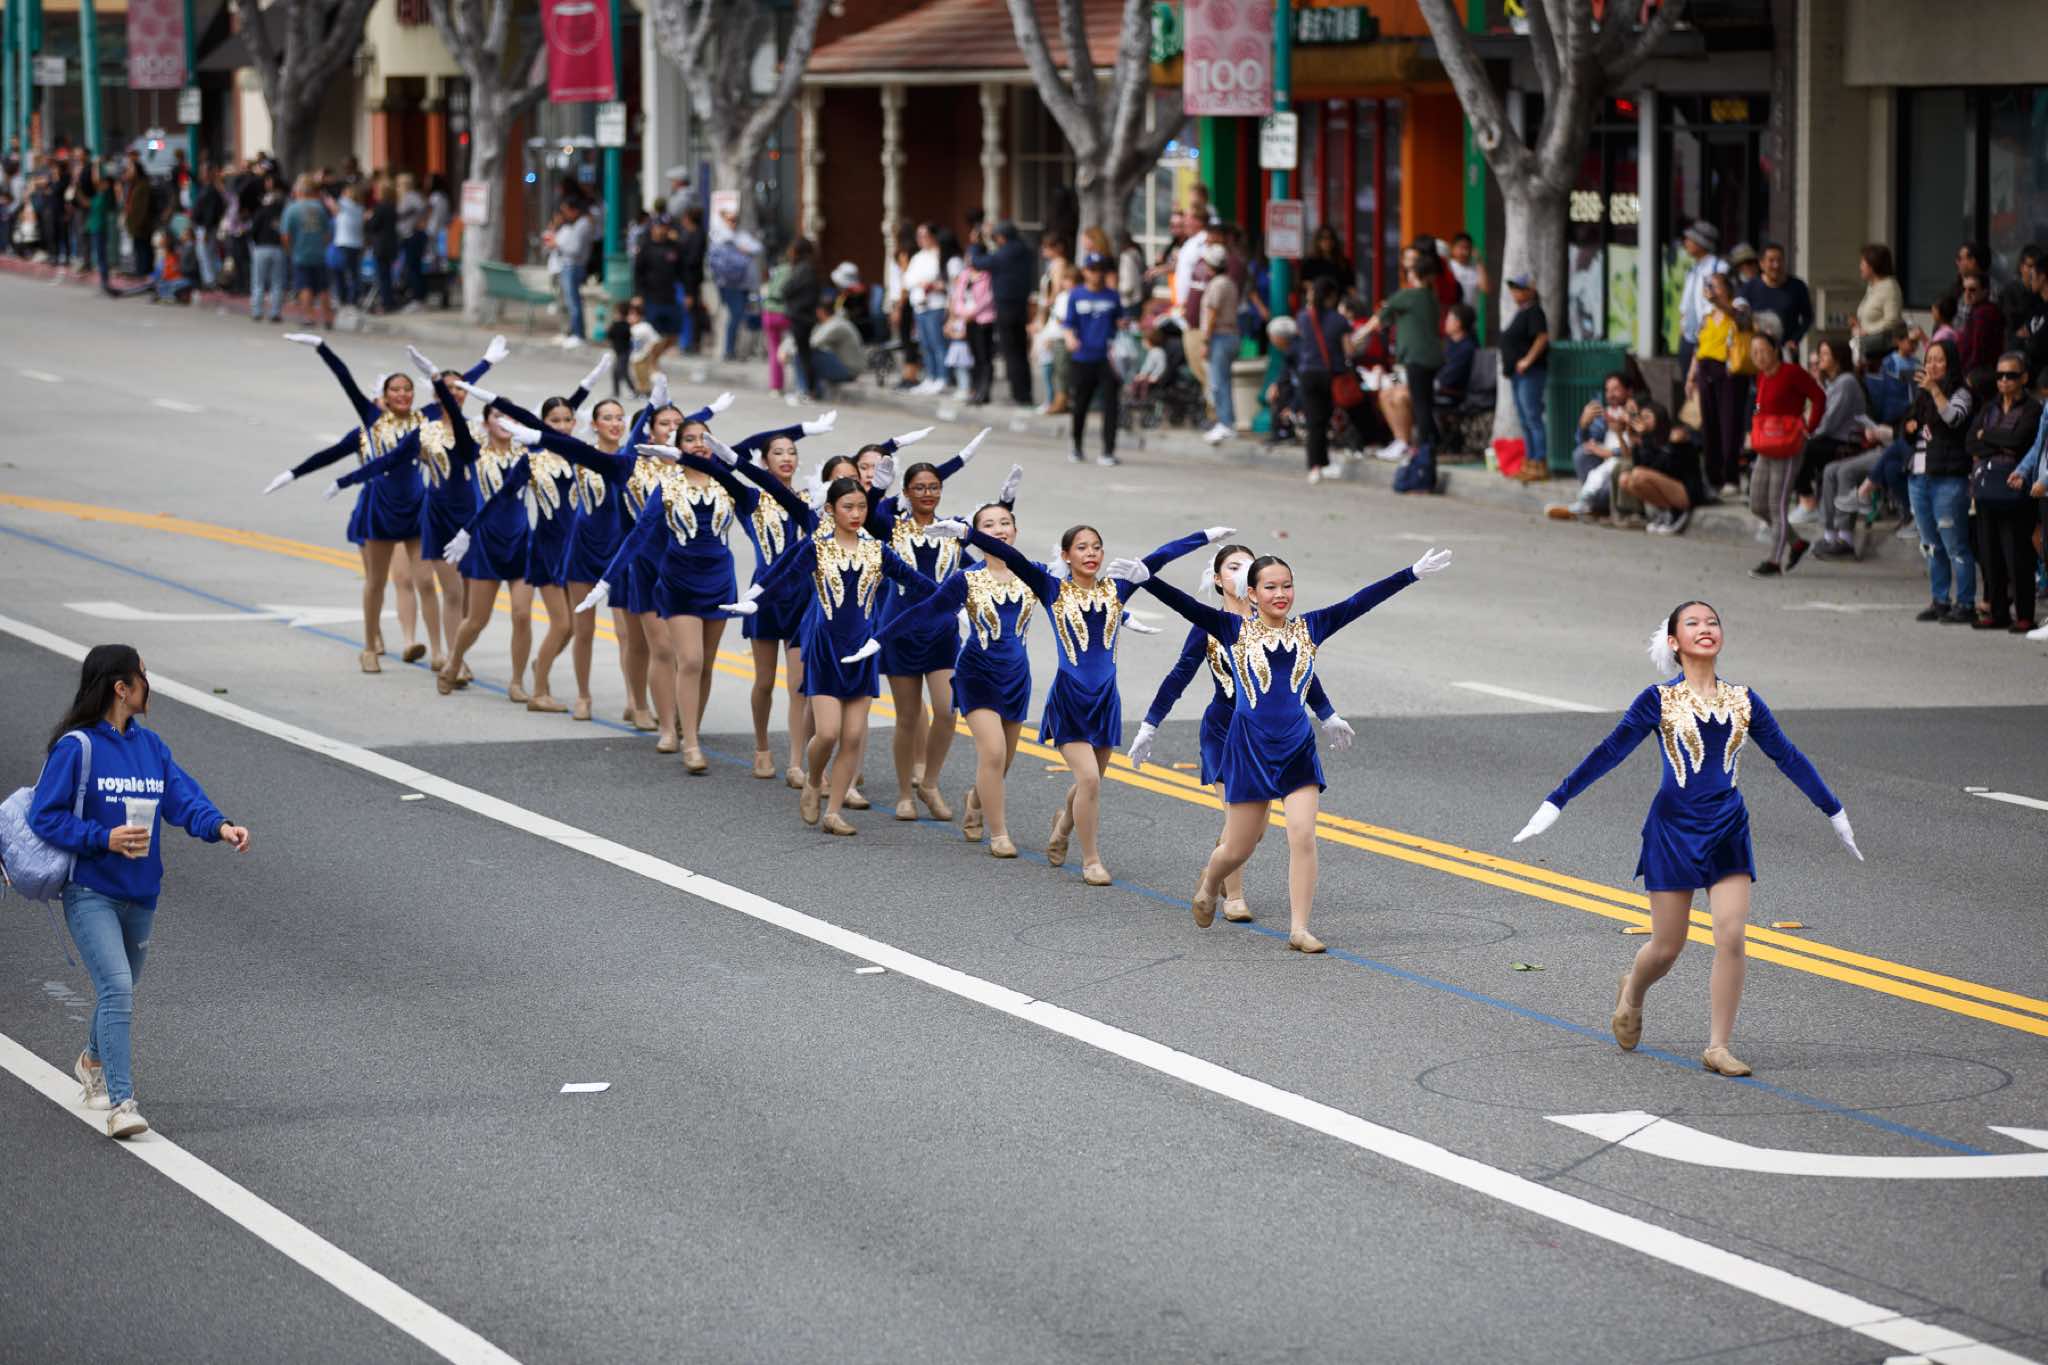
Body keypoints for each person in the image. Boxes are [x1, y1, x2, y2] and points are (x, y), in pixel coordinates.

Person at [1512, 602, 1861, 1078]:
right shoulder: (1658, 700)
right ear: (1674, 642)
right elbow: (1609, 751)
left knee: (1731, 935)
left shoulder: (1744, 700)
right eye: (1693, 623)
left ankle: (1718, 1046)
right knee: (1667, 947)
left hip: (1728, 827)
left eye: (1713, 622)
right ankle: (1633, 992)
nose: (1706, 628)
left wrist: (1833, 810)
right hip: (1673, 829)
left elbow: (1788, 756)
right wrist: (1556, 801)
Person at [1139, 547, 1450, 952]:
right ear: (1252, 593)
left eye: (1287, 586)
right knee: (1238, 846)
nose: (1280, 594)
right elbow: (1184, 606)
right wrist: (1147, 579)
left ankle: (1299, 929)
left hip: (1297, 748)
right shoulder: (1231, 628)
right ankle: (1211, 883)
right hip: (1249, 749)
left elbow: (1359, 602)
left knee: (1303, 835)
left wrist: (1411, 573)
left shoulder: (1310, 627)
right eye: (1270, 587)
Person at [28, 645, 253, 1138]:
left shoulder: (151, 747)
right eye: (143, 676)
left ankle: (92, 1059)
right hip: (91, 891)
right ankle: (122, 1103)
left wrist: (220, 827)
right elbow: (43, 816)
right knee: (117, 987)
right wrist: (102, 837)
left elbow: (183, 798)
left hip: (142, 892)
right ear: (121, 688)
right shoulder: (77, 748)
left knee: (122, 989)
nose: (150, 685)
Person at [941, 523, 1222, 886]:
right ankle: (1091, 860)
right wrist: (969, 533)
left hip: (1105, 701)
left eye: (1096, 547)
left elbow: (1160, 557)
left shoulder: (1117, 588)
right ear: (1066, 555)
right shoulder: (1052, 589)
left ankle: (1063, 825)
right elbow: (1013, 557)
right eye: (1082, 547)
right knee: (1088, 778)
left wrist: (1204, 536)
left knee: (1091, 782)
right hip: (1070, 700)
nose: (1091, 553)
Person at [1127, 543, 1353, 923]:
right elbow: (1178, 677)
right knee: (1236, 823)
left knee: (1257, 831)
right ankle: (1232, 894)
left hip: (1274, 732)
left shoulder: (1277, 622)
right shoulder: (1213, 626)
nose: (1241, 571)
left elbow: (1297, 676)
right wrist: (1150, 724)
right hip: (1225, 732)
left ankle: (1218, 872)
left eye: (1247, 565)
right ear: (1219, 579)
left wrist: (1327, 713)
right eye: (1232, 566)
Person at [733, 477, 946, 834]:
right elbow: (784, 581)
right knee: (828, 733)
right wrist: (755, 603)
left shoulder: (877, 550)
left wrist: (953, 599)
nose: (856, 513)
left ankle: (832, 812)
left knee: (852, 736)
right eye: (848, 507)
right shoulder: (817, 548)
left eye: (862, 507)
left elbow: (915, 580)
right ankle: (814, 779)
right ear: (831, 510)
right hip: (826, 650)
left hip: (862, 650)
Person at [1899, 337, 1978, 622]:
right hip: (1919, 476)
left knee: (1955, 543)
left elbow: (1953, 418)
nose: (1932, 365)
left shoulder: (1962, 392)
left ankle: (1965, 603)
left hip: (1948, 477)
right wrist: (1908, 427)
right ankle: (1940, 600)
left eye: (1939, 360)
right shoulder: (1921, 395)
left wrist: (1934, 390)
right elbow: (1907, 428)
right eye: (1929, 360)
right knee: (1931, 544)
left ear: (1950, 363)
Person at [1745, 322, 1827, 578]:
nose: (1758, 356)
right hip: (1765, 445)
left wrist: (1809, 427)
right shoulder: (1761, 377)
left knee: (1776, 503)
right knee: (1757, 504)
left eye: (1763, 350)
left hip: (1788, 446)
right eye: (1754, 352)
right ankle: (1797, 543)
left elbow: (1819, 397)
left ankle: (1774, 560)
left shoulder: (1792, 373)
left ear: (1775, 350)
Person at [1972, 352, 2043, 631]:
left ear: (2024, 378)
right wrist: (1998, 442)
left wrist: (1987, 437)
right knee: (1990, 553)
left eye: (2010, 375)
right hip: (1987, 487)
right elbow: (1970, 442)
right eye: (1999, 375)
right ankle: (1998, 611)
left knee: (2018, 554)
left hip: (2016, 489)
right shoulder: (1989, 407)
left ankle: (2024, 614)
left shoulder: (2032, 409)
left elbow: (2020, 440)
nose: (2003, 380)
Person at [1359, 254, 1445, 466]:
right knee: (1394, 394)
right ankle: (1403, 441)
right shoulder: (1430, 298)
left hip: (1413, 361)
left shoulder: (1408, 296)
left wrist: (1358, 335)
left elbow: (1381, 314)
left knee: (1416, 401)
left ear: (1413, 274)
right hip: (1416, 364)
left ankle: (1420, 445)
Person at [1790, 338, 1867, 534]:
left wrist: (1809, 435)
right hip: (1831, 438)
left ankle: (1808, 502)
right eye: (1820, 354)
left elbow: (1830, 420)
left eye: (1825, 354)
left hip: (1846, 441)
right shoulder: (1832, 383)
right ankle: (1807, 500)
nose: (1820, 359)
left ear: (1837, 357)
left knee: (1802, 448)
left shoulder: (1846, 382)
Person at [1062, 252, 1123, 467]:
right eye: (1092, 270)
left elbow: (1120, 321)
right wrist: (1070, 338)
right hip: (1083, 356)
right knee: (1080, 404)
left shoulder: (1112, 296)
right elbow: (1068, 323)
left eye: (1100, 270)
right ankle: (1077, 445)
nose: (1096, 274)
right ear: (1085, 271)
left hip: (1107, 358)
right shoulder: (1076, 295)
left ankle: (1108, 450)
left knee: (1111, 405)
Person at [1686, 272, 1745, 494]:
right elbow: (1698, 348)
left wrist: (1719, 302)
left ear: (1728, 289)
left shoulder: (1738, 306)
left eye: (1716, 286)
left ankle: (1731, 476)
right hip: (1705, 369)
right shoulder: (1707, 315)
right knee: (1709, 424)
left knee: (1729, 424)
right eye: (1709, 286)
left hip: (1729, 371)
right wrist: (1691, 376)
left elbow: (1741, 319)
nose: (1712, 290)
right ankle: (1713, 477)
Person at [971, 221, 1036, 407]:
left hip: (1006, 306)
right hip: (1021, 305)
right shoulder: (1025, 250)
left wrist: (977, 243)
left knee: (1012, 352)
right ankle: (1025, 393)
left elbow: (978, 262)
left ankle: (1019, 395)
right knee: (1021, 352)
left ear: (1002, 237)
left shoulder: (1005, 253)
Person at [1615, 402, 1706, 535]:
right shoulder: (1650, 440)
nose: (1643, 421)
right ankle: (1666, 511)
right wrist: (1633, 439)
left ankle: (1678, 513)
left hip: (1688, 492)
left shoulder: (1675, 436)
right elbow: (1640, 465)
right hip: (1669, 490)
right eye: (1641, 417)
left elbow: (1663, 467)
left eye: (1647, 417)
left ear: (1659, 418)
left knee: (1638, 475)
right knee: (1625, 479)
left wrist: (1645, 437)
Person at [1294, 278, 1348, 483]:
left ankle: (1318, 463)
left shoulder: (1303, 317)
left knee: (1314, 420)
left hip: (1307, 372)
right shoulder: (1339, 320)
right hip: (1328, 373)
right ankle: (1319, 464)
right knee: (1322, 420)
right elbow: (1349, 349)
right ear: (1331, 296)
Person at [1498, 273, 1550, 473]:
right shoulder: (1522, 311)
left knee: (1532, 417)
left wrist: (1527, 360)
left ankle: (1539, 461)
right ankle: (1529, 460)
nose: (1515, 293)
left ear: (1530, 291)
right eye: (1513, 289)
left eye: (1519, 289)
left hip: (1531, 373)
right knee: (1524, 419)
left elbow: (1542, 337)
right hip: (1518, 375)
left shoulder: (1535, 311)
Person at [632, 215, 684, 379]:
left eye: (666, 227)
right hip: (651, 297)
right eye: (660, 227)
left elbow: (683, 270)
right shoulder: (646, 247)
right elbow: (638, 273)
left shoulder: (674, 247)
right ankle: (652, 364)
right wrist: (638, 294)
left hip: (670, 296)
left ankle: (653, 359)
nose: (662, 230)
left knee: (673, 334)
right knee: (654, 335)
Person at [1200, 240, 1241, 445]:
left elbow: (1212, 313)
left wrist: (1205, 340)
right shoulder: (1229, 282)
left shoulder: (1217, 284)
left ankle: (1225, 423)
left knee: (1218, 383)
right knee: (1222, 381)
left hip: (1220, 336)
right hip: (1230, 335)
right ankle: (1226, 422)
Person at [1738, 243, 1813, 353]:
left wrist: (1795, 339)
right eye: (1771, 261)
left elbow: (1808, 317)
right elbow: (1739, 317)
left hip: (1785, 352)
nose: (1776, 265)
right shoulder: (1749, 288)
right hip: (1756, 352)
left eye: (1780, 260)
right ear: (1762, 264)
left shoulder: (1797, 286)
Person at [281, 175, 333, 327]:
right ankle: (328, 318)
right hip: (319, 253)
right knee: (323, 286)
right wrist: (322, 245)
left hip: (300, 252)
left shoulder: (292, 209)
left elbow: (285, 235)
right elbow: (327, 233)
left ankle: (309, 317)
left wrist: (289, 250)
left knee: (305, 285)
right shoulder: (320, 208)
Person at [1675, 220, 1725, 375]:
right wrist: (1682, 326)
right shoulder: (1693, 269)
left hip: (1710, 337)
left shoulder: (1719, 267)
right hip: (1688, 337)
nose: (1686, 242)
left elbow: (1723, 302)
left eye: (1690, 239)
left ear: (1701, 242)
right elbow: (1686, 304)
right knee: (1687, 381)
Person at [782, 238, 823, 402]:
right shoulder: (808, 268)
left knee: (803, 355)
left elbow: (786, 289)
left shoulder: (803, 269)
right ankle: (807, 389)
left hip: (801, 317)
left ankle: (807, 389)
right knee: (803, 353)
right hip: (804, 316)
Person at [1851, 243, 1904, 366]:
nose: (1860, 267)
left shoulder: (1889, 287)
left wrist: (1867, 331)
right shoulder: (1872, 286)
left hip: (1881, 353)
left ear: (1873, 265)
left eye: (1863, 263)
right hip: (1867, 350)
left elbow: (1892, 321)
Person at [551, 201, 594, 346]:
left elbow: (575, 249)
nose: (565, 215)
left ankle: (578, 334)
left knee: (573, 302)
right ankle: (571, 332)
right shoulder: (577, 225)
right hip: (569, 265)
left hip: (574, 266)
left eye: (566, 211)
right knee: (569, 302)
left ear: (574, 210)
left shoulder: (583, 225)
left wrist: (558, 245)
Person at [808, 293, 865, 392]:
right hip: (848, 367)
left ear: (820, 311)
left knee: (805, 355)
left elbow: (813, 343)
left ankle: (807, 391)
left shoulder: (836, 325)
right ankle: (811, 390)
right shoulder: (834, 322)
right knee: (806, 354)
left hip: (849, 370)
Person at [1957, 272, 2005, 376]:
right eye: (1964, 289)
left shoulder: (1983, 313)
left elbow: (1978, 351)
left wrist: (1968, 373)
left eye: (1972, 290)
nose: (1967, 294)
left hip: (1977, 374)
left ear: (1985, 291)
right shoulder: (1977, 310)